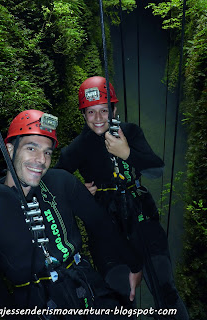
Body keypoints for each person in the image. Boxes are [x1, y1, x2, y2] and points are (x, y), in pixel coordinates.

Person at [0, 109, 142, 320]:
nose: (41, 160)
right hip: (38, 306)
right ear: (10, 149)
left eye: (47, 152)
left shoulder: (62, 182)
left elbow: (101, 224)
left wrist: (134, 265)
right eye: (31, 148)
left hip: (87, 286)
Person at [55, 76, 189, 320]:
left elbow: (156, 169)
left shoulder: (130, 132)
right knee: (120, 297)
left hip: (141, 214)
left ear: (114, 110)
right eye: (91, 112)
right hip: (105, 225)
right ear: (83, 115)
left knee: (164, 287)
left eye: (104, 110)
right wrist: (77, 191)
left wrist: (126, 153)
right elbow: (56, 186)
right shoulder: (76, 148)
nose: (98, 118)